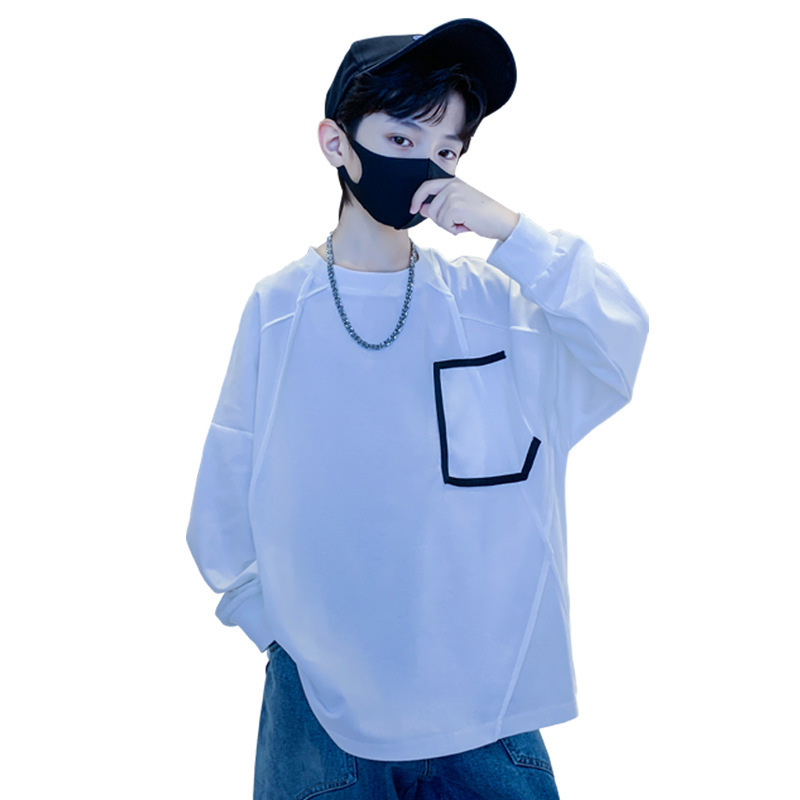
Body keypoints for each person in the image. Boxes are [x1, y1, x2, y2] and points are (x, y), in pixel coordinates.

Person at [186, 17, 649, 800]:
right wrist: (283, 639)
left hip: (487, 711)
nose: (426, 167)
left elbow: (618, 340)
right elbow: (221, 507)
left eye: (446, 151)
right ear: (337, 144)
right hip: (320, 717)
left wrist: (509, 230)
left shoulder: (491, 306)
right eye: (400, 140)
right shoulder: (278, 310)